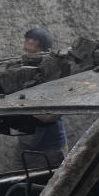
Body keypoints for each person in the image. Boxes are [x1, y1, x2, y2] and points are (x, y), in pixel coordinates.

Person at [19, 27, 66, 167]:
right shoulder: (23, 69)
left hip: (49, 148)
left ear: (43, 46)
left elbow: (50, 116)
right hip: (26, 144)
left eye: (33, 39)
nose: (27, 41)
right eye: (27, 38)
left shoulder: (54, 71)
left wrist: (20, 108)